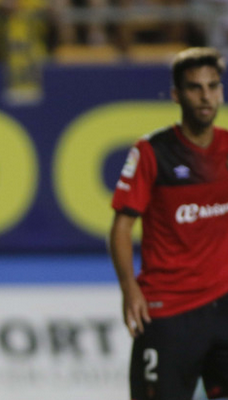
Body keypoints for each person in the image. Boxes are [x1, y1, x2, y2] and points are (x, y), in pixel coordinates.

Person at [109, 47, 228, 400]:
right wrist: (129, 289)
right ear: (177, 95)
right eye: (195, 87)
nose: (206, 96)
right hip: (167, 311)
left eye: (213, 86)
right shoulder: (152, 152)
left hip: (223, 304)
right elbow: (120, 227)